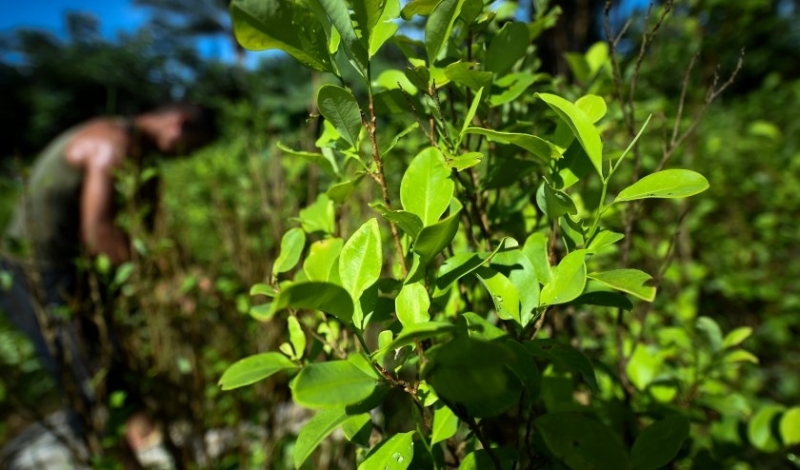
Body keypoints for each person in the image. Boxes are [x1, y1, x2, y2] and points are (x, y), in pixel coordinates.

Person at [0, 103, 216, 467]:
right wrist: (166, 284)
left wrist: (183, 273)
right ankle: (120, 459)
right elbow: (100, 233)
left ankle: (145, 446)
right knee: (85, 376)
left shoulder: (139, 160)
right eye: (191, 148)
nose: (184, 157)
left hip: (74, 272)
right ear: (179, 125)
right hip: (35, 274)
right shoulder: (113, 142)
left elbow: (145, 232)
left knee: (110, 360)